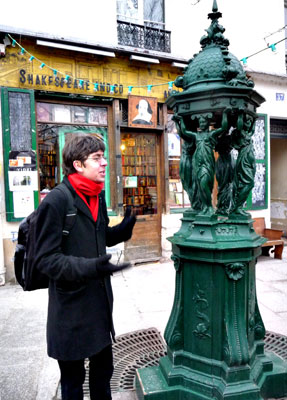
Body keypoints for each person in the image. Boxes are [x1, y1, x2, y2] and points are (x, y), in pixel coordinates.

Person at [34, 135, 136, 400]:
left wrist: (122, 231)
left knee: (103, 375)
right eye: (97, 158)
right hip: (70, 311)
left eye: (103, 156)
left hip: (99, 306)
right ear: (78, 165)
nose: (104, 163)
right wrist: (92, 267)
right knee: (73, 382)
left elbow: (98, 236)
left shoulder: (97, 196)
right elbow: (45, 259)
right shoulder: (57, 201)